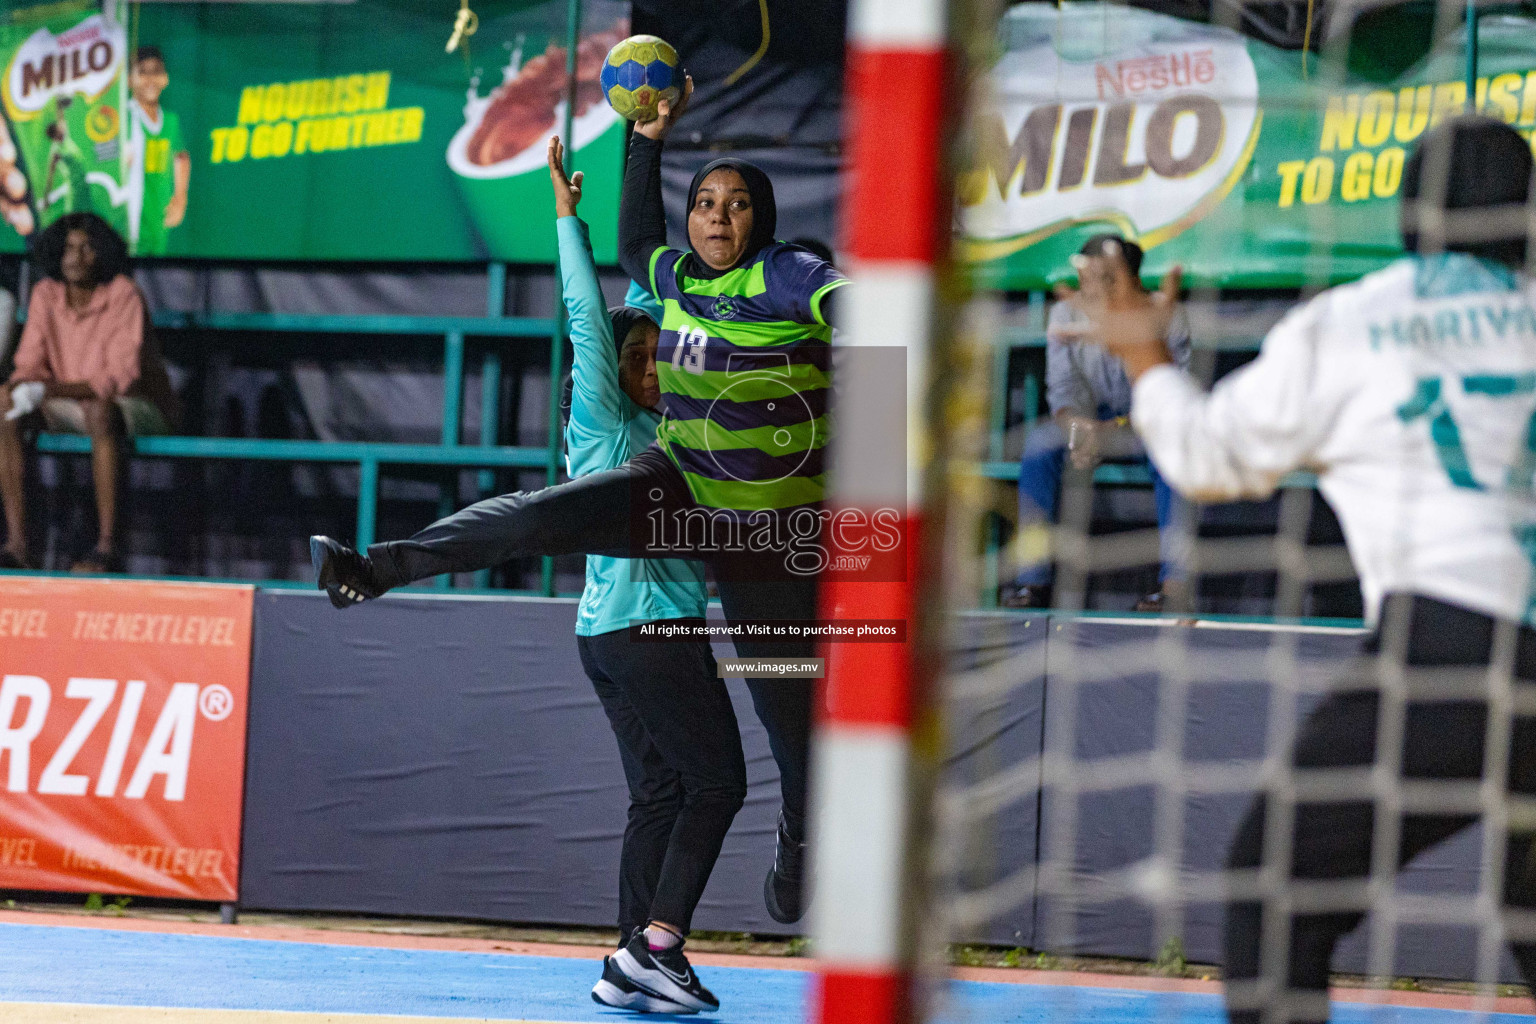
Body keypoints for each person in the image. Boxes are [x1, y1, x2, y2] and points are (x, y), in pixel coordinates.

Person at [309, 73, 842, 959]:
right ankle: (376, 569)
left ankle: (800, 833)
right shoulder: (673, 278)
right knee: (539, 515)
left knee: (793, 724)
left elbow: (847, 307)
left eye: (736, 205)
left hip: (767, 533)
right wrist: (646, 138)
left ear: (764, 218)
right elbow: (637, 237)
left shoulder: (791, 275)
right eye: (705, 203)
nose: (715, 217)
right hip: (679, 485)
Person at [1074, 116, 1536, 1024]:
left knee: (1275, 890)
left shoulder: (1357, 319)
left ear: (1410, 212)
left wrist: (1139, 350)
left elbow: (1208, 462)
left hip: (1457, 640)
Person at [547, 135, 744, 1014]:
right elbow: (593, 320)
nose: (654, 367)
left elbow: (648, 292)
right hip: (644, 633)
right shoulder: (603, 424)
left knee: (660, 791)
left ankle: (632, 960)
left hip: (605, 636)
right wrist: (566, 222)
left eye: (662, 355)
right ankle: (658, 945)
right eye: (641, 361)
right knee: (720, 784)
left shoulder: (671, 426)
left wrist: (644, 154)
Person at [1002, 234, 1193, 613]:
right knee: (1039, 445)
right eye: (1087, 277)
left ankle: (1176, 587)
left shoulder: (1163, 313)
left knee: (1174, 456)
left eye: (1106, 277)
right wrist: (1079, 429)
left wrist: (1111, 430)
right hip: (1087, 424)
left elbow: (1174, 395)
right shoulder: (1065, 315)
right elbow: (1063, 388)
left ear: (1129, 279)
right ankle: (1032, 583)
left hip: (1146, 424)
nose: (1094, 287)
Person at [0, 212, 179, 572]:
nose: (75, 258)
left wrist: (47, 388)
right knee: (4, 405)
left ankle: (106, 548)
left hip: (138, 405)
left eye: (86, 249)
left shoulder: (123, 294)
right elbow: (29, 362)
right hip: (70, 403)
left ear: (104, 254)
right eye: (67, 248)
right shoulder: (45, 294)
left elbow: (119, 377)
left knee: (100, 410)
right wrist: (21, 386)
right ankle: (18, 545)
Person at [127, 46, 190, 256]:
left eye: (156, 71)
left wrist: (180, 197)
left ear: (166, 79)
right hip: (129, 227)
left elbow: (181, 156)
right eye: (142, 72)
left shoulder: (171, 121)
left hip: (159, 223)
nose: (150, 79)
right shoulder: (125, 117)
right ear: (129, 80)